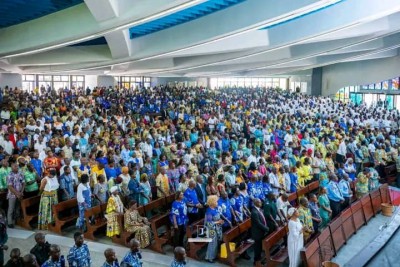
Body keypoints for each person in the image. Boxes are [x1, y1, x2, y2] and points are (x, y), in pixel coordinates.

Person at [204, 195, 223, 263]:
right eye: (216, 202)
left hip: (216, 228)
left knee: (215, 243)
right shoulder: (209, 211)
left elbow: (217, 217)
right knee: (212, 243)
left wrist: (220, 221)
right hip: (211, 230)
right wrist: (218, 221)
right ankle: (209, 257)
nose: (217, 203)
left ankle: (213, 256)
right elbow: (209, 223)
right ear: (212, 203)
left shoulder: (215, 209)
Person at [251, 198, 269, 266]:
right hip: (257, 233)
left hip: (261, 232)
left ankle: (259, 260)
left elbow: (263, 219)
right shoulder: (254, 212)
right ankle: (256, 262)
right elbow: (258, 223)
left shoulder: (260, 209)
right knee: (257, 248)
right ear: (256, 203)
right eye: (259, 202)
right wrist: (266, 229)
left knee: (260, 247)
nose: (261, 203)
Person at [6, 163, 25, 228]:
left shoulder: (20, 173)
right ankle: (10, 222)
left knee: (18, 207)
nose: (17, 167)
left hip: (20, 194)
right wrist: (17, 194)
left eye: (17, 166)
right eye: (15, 166)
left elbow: (23, 183)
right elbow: (10, 187)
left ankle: (17, 220)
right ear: (11, 167)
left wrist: (21, 192)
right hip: (12, 195)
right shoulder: (9, 175)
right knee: (11, 209)